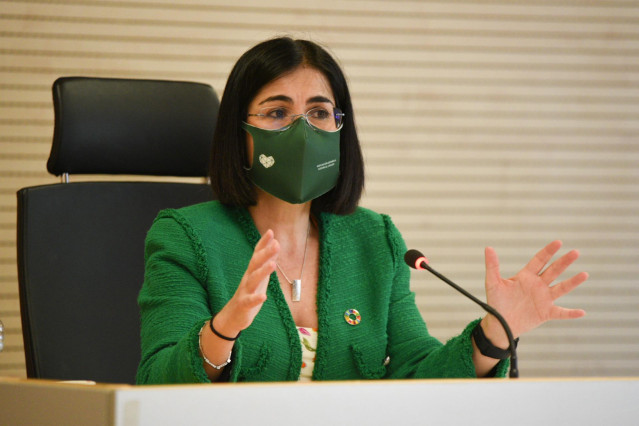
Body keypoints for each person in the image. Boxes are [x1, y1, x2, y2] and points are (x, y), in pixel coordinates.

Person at [136, 37, 588, 384]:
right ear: (240, 135)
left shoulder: (374, 239)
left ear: (339, 128)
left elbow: (416, 374)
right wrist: (222, 331)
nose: (302, 131)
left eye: (318, 113)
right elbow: (155, 384)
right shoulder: (185, 236)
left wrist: (492, 334)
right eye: (277, 113)